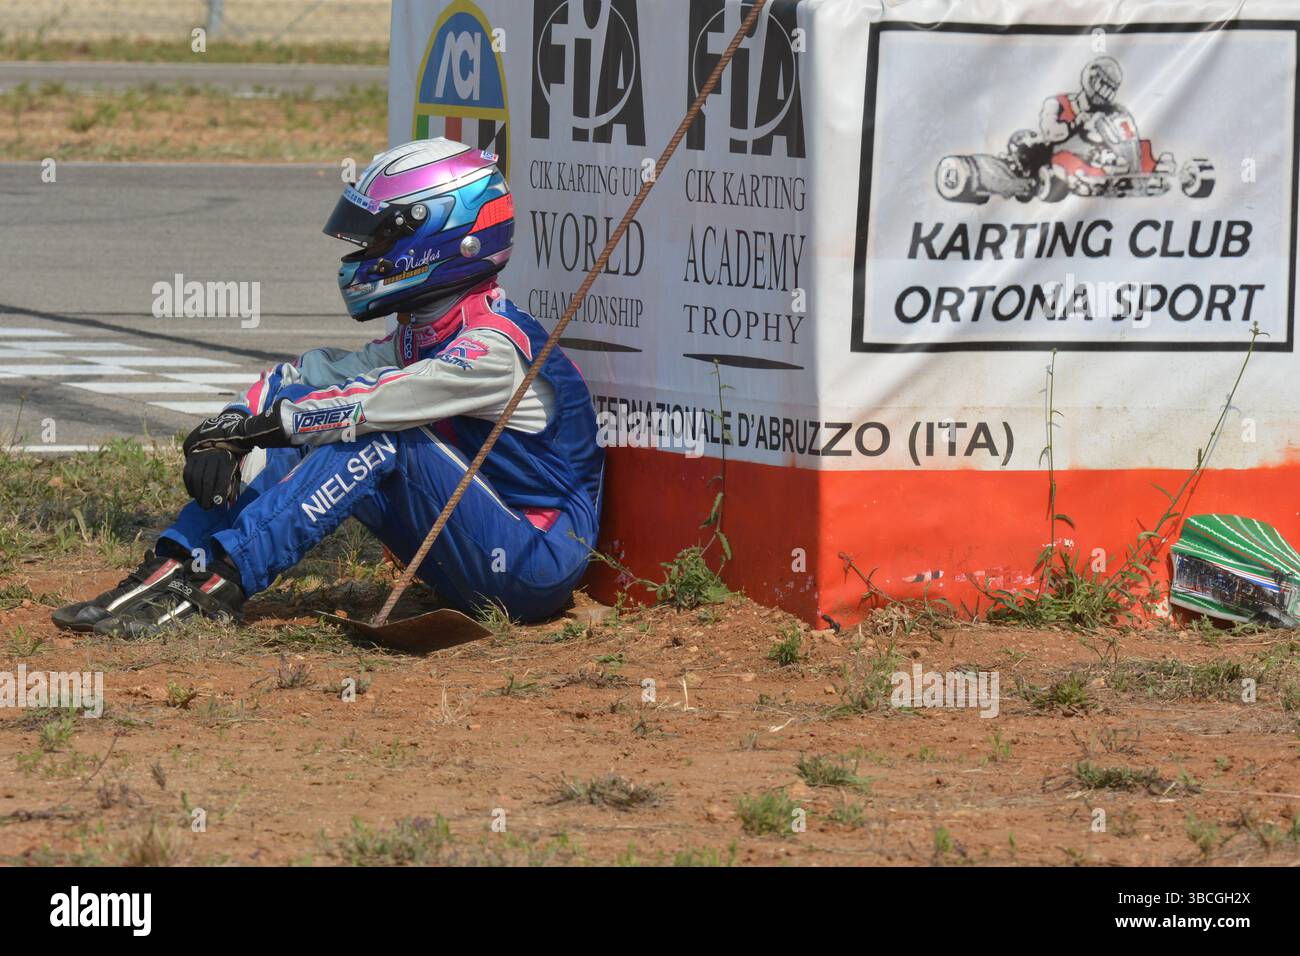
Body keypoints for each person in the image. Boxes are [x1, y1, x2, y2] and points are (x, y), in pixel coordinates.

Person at [53, 138, 604, 637]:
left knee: (375, 435)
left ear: (442, 234)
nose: (362, 255)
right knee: (309, 421)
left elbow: (377, 403)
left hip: (533, 563)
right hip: (467, 547)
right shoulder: (423, 332)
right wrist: (231, 425)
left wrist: (266, 428)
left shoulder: (495, 348)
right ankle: (176, 566)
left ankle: (222, 583)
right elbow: (309, 375)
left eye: (379, 237)